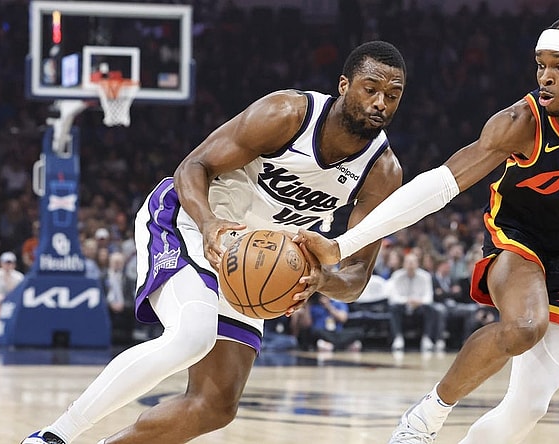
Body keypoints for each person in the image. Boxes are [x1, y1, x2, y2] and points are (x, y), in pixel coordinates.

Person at [294, 16, 559, 444]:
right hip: (518, 240)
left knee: (530, 407)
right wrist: (342, 245)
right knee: (524, 326)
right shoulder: (521, 122)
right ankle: (423, 420)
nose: (545, 77)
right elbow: (440, 184)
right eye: (541, 65)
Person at [23, 40, 407, 444]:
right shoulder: (287, 114)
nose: (380, 102)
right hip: (192, 222)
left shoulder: (382, 172)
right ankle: (54, 435)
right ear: (344, 85)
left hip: (257, 263)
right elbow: (194, 166)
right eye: (371, 89)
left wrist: (321, 281)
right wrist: (208, 224)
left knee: (215, 405)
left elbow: (357, 275)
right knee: (192, 336)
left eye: (392, 96)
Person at [385, 252, 441, 352]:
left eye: (413, 262)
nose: (410, 264)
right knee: (393, 308)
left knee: (431, 308)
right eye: (408, 262)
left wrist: (419, 301)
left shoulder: (425, 276)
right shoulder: (397, 276)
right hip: (403, 305)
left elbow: (429, 297)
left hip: (419, 306)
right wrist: (407, 300)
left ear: (418, 263)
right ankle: (398, 338)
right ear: (404, 264)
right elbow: (393, 297)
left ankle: (427, 338)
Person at [0, 251, 24, 333]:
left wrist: (9, 280)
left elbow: (20, 293)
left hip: (14, 300)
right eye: (6, 263)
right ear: (1, 263)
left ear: (14, 264)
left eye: (10, 263)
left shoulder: (19, 276)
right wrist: (1, 298)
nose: (8, 265)